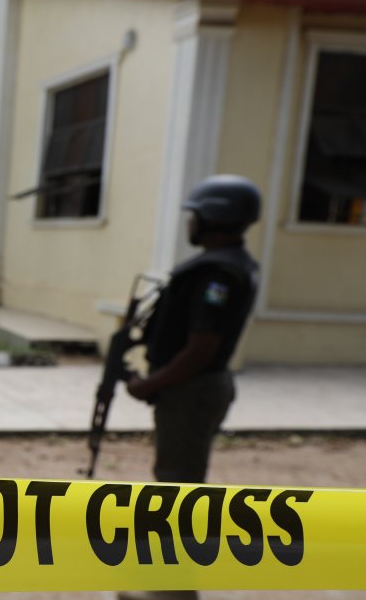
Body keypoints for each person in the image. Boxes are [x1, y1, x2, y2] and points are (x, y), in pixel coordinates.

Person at [117, 175, 260, 600]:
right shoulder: (227, 265)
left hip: (193, 389)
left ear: (215, 215)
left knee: (179, 488)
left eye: (195, 215)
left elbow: (201, 348)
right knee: (176, 483)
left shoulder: (217, 273)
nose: (189, 223)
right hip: (195, 387)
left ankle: (172, 593)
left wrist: (148, 385)